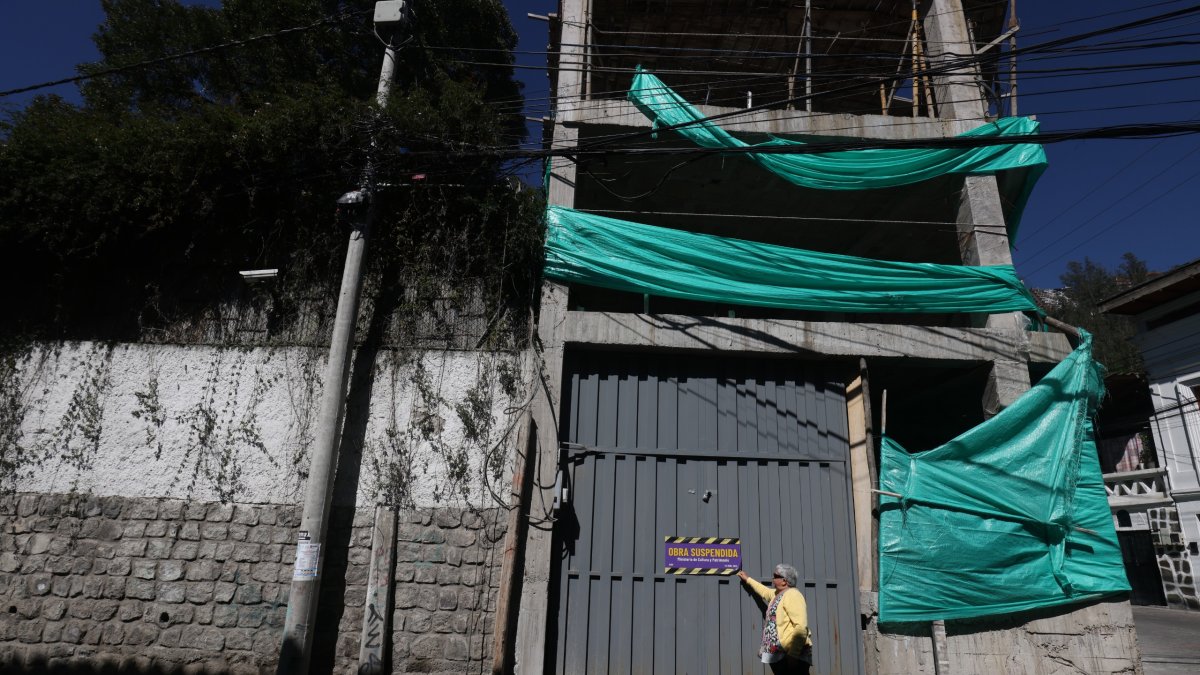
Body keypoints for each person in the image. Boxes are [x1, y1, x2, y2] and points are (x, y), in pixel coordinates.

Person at [737, 564, 813, 674]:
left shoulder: (793, 595)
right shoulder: (777, 594)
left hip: (789, 654)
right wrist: (747, 579)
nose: (773, 578)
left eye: (775, 576)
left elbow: (800, 627)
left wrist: (793, 655)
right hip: (778, 654)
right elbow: (763, 591)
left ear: (784, 581)